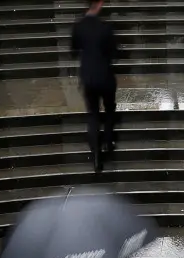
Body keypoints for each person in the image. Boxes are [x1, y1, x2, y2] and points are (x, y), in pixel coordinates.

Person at [71, 0, 119, 173]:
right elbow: (114, 51)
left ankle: (97, 157)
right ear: (99, 5)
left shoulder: (78, 27)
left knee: (92, 115)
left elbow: (74, 49)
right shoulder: (105, 27)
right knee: (109, 109)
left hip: (89, 78)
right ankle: (108, 141)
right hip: (105, 76)